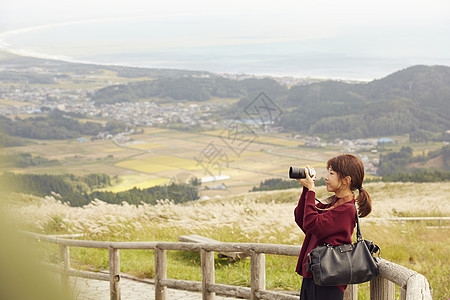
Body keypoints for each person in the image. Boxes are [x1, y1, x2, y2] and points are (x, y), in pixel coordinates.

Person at [294, 154, 372, 300]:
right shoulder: (332, 205)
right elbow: (302, 219)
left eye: (331, 173)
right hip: (315, 273)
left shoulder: (347, 210)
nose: (326, 177)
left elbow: (312, 223)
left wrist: (312, 190)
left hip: (329, 279)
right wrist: (306, 190)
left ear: (346, 180)